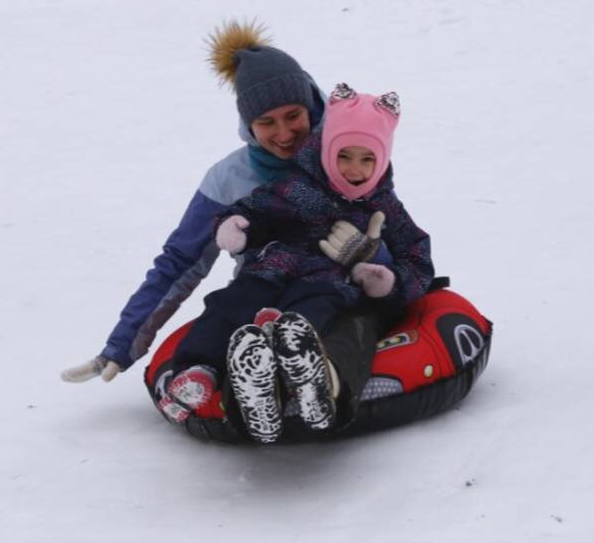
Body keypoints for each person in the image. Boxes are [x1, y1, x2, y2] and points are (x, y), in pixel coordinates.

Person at [60, 21, 396, 433]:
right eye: (267, 122)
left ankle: (320, 385)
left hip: (337, 293)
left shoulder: (351, 153)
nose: (284, 133)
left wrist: (369, 255)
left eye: (293, 116)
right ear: (248, 125)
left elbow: (398, 238)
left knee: (343, 327)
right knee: (228, 313)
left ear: (314, 106)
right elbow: (180, 261)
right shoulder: (229, 180)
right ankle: (227, 381)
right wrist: (123, 343)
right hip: (259, 294)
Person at [160, 84, 434, 443]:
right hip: (273, 267)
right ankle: (199, 371)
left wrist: (389, 281)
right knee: (229, 304)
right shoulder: (300, 184)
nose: (355, 170)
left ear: (382, 159)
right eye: (344, 156)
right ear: (328, 149)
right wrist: (239, 225)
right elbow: (259, 209)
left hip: (328, 281)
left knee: (314, 310)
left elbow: (418, 257)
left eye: (368, 159)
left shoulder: (385, 206)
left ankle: (296, 367)